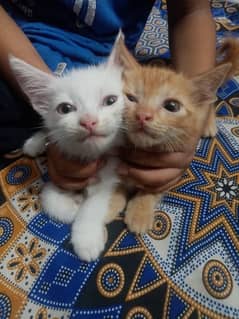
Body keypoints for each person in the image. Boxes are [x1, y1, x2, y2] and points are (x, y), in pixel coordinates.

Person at [0, 0, 216, 192]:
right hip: (17, 44)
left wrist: (193, 106)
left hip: (109, 59)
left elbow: (191, 11)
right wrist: (55, 122)